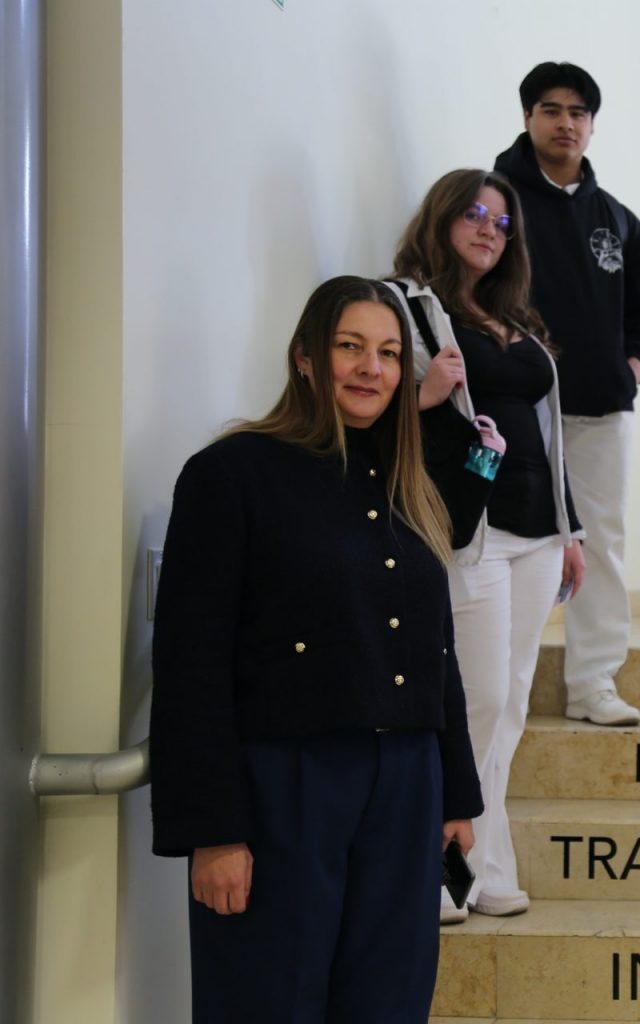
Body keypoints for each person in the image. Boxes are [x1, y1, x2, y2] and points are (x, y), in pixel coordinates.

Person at [149, 276, 483, 1021]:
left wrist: (455, 796)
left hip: (407, 783)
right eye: (349, 346)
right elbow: (190, 665)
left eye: (389, 353)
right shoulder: (231, 474)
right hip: (284, 784)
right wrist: (212, 831)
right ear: (304, 356)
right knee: (269, 998)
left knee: (390, 1000)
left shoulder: (408, 484)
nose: (372, 368)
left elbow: (436, 652)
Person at [387, 168, 584, 924]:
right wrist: (424, 394)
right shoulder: (407, 306)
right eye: (473, 214)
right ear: (440, 219)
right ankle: (439, 869)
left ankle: (485, 864)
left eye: (501, 223)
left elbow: (545, 434)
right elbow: (367, 409)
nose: (488, 231)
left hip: (538, 532)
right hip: (472, 531)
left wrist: (570, 530)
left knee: (512, 705)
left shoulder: (513, 320)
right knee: (476, 698)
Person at [493, 61, 640, 727]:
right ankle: (492, 681)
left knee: (600, 543)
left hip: (600, 409)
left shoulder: (615, 219)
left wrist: (633, 368)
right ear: (527, 118)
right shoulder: (494, 204)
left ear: (592, 125)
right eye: (551, 109)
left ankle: (594, 682)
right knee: (504, 540)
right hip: (512, 409)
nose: (565, 123)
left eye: (577, 112)